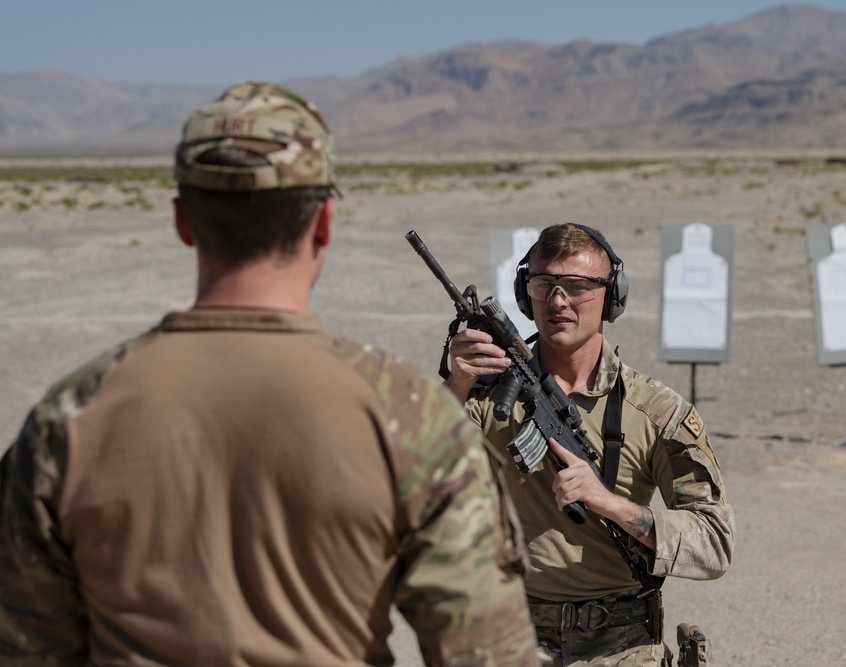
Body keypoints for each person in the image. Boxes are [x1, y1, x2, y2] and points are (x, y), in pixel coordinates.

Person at [0, 81, 538, 667]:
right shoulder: (409, 415)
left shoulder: (70, 418)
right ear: (324, 223)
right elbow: (484, 656)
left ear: (183, 221)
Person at [443, 223, 736, 666]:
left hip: (622, 645)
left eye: (577, 286)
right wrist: (457, 384)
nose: (558, 300)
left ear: (611, 295)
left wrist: (611, 504)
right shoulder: (487, 397)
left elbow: (714, 545)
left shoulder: (656, 412)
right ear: (526, 296)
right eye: (544, 285)